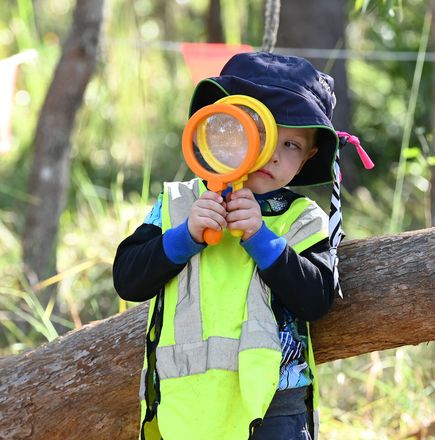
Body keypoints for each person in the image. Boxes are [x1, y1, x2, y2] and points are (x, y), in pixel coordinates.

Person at [113, 52, 340, 440]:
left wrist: (262, 239)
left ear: (308, 159)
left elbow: (317, 299)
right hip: (186, 402)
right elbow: (128, 280)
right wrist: (185, 235)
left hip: (275, 404)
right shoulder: (178, 204)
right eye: (259, 133)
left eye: (291, 146)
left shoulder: (303, 218)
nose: (272, 154)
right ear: (220, 129)